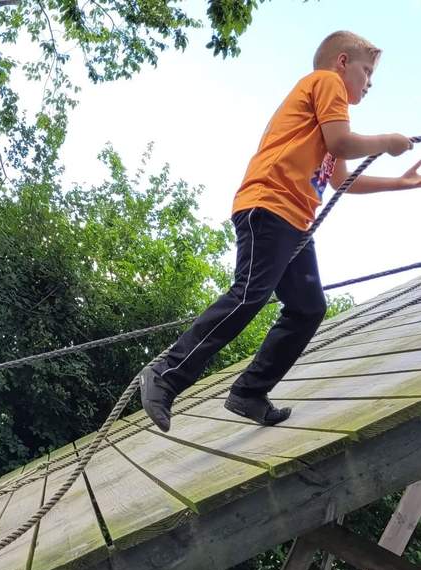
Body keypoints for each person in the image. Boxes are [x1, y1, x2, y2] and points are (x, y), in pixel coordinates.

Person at [140, 30, 421, 432]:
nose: (370, 83)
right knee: (249, 293)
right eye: (367, 71)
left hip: (295, 222)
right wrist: (387, 142)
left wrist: (401, 183)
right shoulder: (326, 83)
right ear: (342, 63)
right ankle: (167, 374)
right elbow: (342, 143)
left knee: (308, 308)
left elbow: (342, 179)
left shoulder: (329, 116)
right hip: (269, 205)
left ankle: (249, 392)